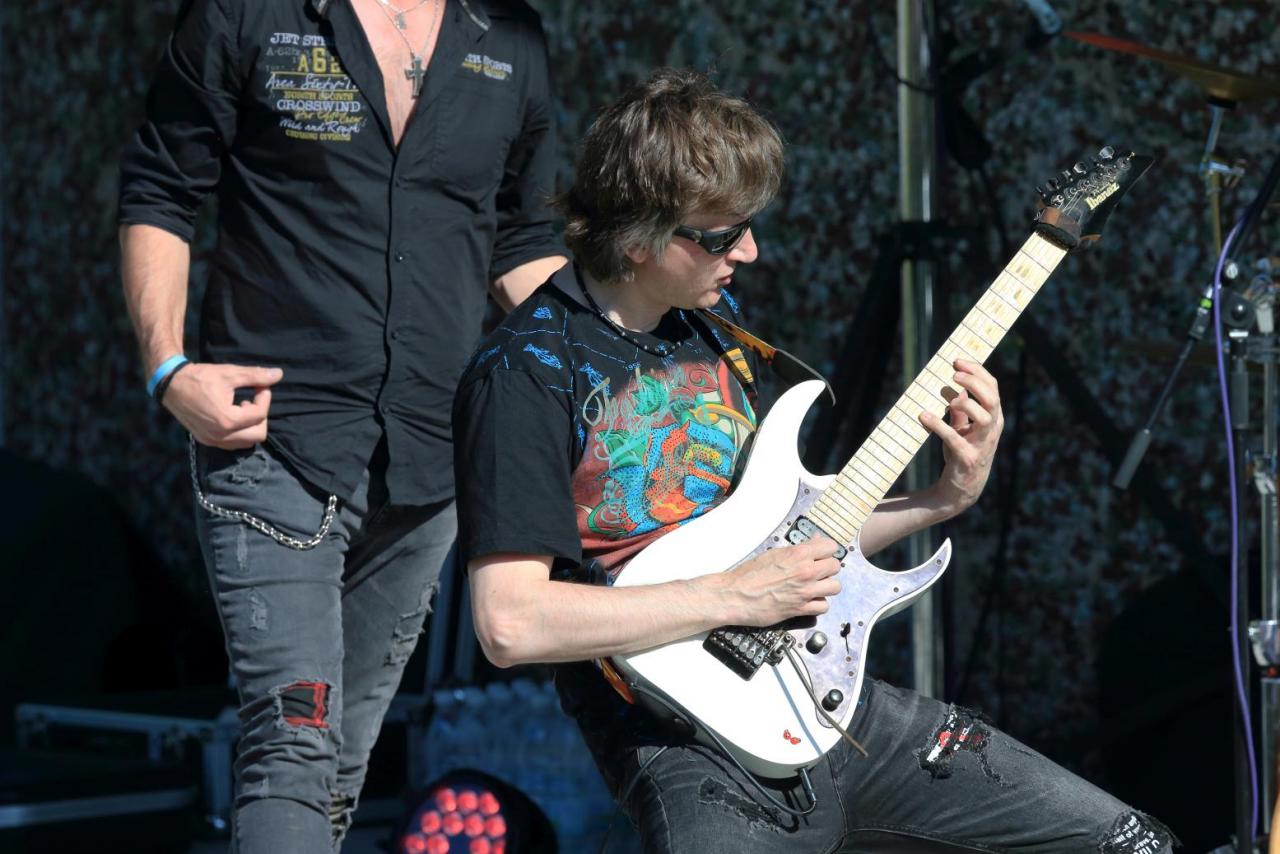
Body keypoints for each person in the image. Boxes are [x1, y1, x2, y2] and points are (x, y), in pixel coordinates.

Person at [451, 69, 1175, 853]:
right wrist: (732, 595)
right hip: (682, 743)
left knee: (1132, 842)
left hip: (825, 701)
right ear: (637, 239)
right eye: (723, 236)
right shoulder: (525, 373)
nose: (750, 251)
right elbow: (509, 623)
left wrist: (944, 496)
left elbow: (790, 550)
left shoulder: (711, 324)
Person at [117, 0, 565, 849]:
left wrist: (611, 372)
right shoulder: (248, 13)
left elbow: (521, 238)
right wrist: (168, 369)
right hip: (274, 445)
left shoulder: (508, 33)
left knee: (339, 772)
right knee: (292, 746)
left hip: (428, 462)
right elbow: (162, 189)